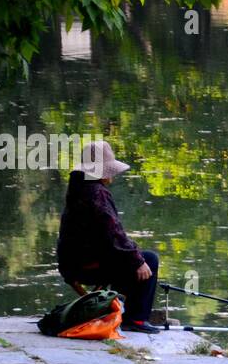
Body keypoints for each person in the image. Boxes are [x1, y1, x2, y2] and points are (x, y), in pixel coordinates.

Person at [56, 140, 161, 334]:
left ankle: (114, 308)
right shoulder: (97, 194)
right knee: (149, 260)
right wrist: (138, 260)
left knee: (127, 257)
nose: (112, 176)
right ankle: (136, 319)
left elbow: (108, 236)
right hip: (87, 266)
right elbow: (114, 233)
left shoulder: (78, 188)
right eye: (109, 171)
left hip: (71, 263)